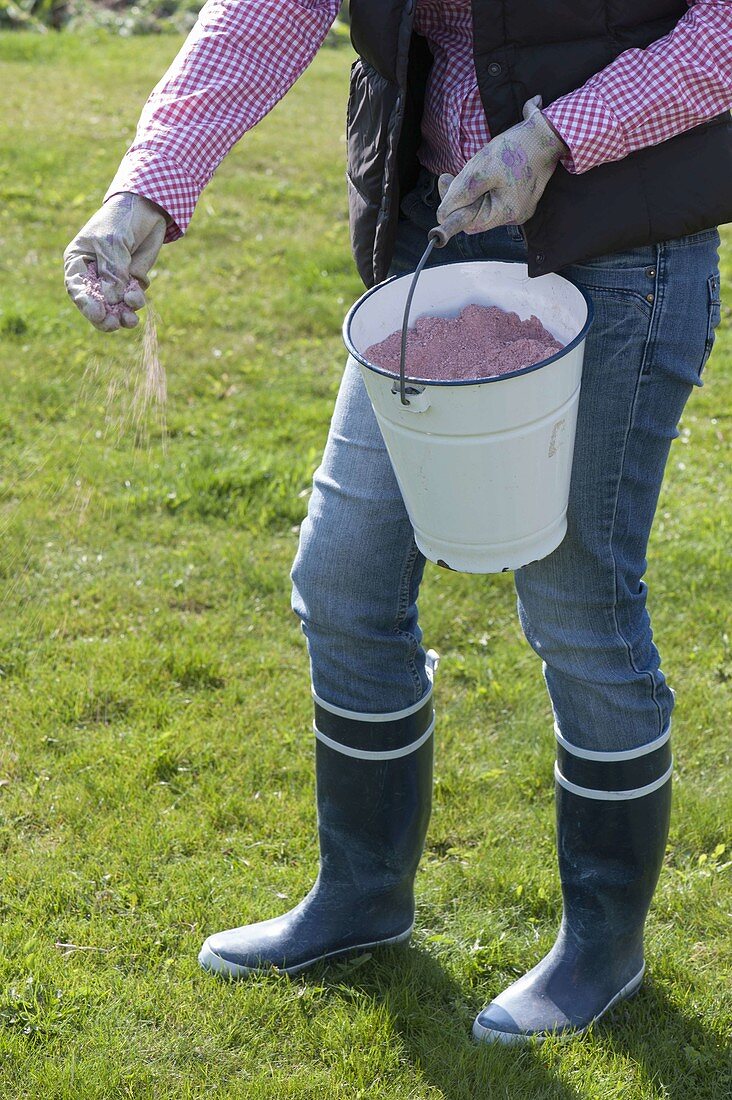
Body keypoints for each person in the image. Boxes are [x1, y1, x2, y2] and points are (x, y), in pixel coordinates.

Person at [64, 0, 731, 1044]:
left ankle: (603, 940)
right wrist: (143, 191)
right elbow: (267, 11)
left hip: (619, 243)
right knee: (344, 575)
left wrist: (561, 135)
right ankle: (362, 892)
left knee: (576, 601)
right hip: (445, 221)